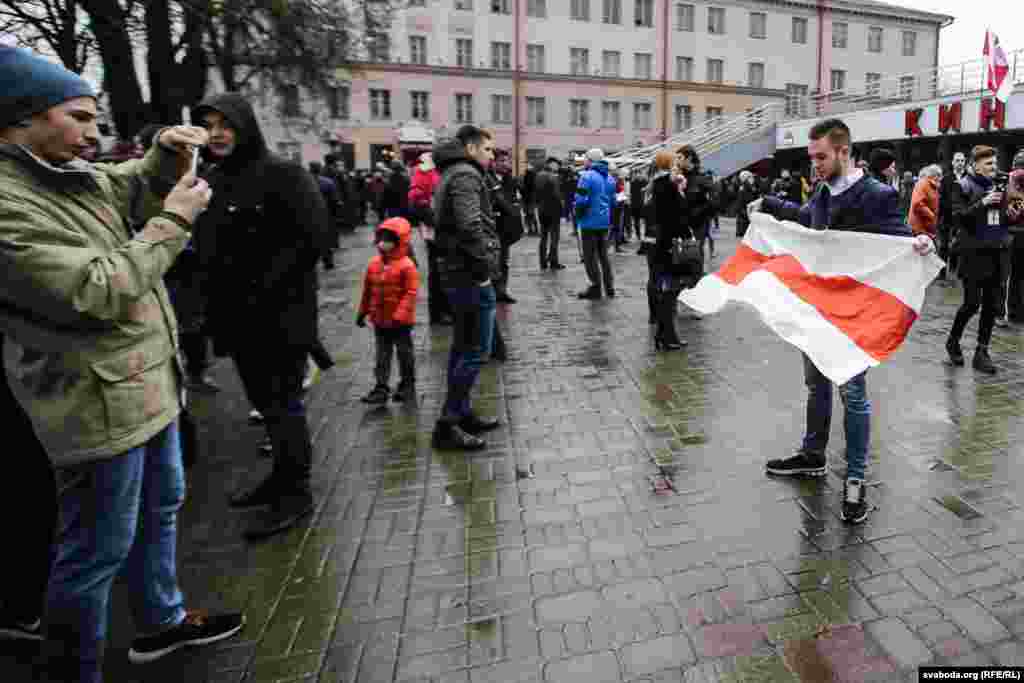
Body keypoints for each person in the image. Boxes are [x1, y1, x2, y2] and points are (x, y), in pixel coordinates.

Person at [0, 46, 243, 680]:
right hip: (96, 403)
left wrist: (164, 151)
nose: (94, 131)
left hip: (144, 387)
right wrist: (174, 220)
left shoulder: (65, 172)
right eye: (79, 117)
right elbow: (96, 290)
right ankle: (73, 669)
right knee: (94, 552)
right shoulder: (9, 202)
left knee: (161, 509)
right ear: (22, 117)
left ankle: (161, 622)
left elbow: (124, 180)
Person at [753, 118, 932, 525]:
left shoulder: (877, 194)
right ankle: (813, 454)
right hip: (818, 309)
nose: (814, 165)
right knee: (816, 383)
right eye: (812, 157)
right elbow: (807, 220)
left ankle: (855, 479)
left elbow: (900, 238)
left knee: (852, 394)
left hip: (854, 316)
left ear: (843, 152)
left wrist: (921, 242)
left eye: (821, 157)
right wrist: (769, 205)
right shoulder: (821, 190)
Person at [192, 92, 328, 540]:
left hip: (279, 319)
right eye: (208, 125)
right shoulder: (210, 178)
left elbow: (311, 239)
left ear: (245, 126)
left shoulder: (283, 174)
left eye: (224, 124)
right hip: (236, 321)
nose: (216, 134)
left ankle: (296, 492)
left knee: (284, 406)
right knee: (264, 405)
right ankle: (279, 478)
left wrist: (260, 291)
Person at [431, 125, 502, 451]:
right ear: (471, 148)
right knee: (477, 350)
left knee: (462, 347)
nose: (492, 155)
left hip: (457, 270)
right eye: (487, 149)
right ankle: (448, 424)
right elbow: (469, 226)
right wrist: (483, 271)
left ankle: (460, 413)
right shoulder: (465, 175)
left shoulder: (453, 172)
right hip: (469, 274)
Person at [945, 145, 1012, 375]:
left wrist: (1011, 213)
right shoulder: (962, 185)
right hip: (973, 254)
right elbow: (958, 218)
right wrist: (983, 203)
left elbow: (1001, 219)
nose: (994, 167)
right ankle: (953, 340)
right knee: (972, 303)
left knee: (991, 305)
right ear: (975, 165)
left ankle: (981, 352)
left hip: (996, 252)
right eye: (988, 164)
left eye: (995, 163)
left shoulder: (1000, 185)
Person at [357, 218, 418, 404]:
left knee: (404, 353)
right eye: (382, 238)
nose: (383, 243)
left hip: (400, 322)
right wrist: (362, 312)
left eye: (388, 239)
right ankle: (381, 387)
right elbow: (368, 291)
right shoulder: (374, 264)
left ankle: (407, 384)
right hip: (380, 320)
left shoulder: (407, 266)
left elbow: (410, 293)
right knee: (382, 356)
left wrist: (399, 315)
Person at [647, 150, 694, 351]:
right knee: (671, 290)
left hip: (663, 243)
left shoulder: (659, 184)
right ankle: (666, 335)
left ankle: (665, 334)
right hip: (669, 244)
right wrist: (680, 191)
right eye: (674, 163)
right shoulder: (665, 185)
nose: (677, 166)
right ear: (667, 165)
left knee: (669, 290)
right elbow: (676, 216)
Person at [575, 148, 615, 299]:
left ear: (591, 160)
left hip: (589, 222)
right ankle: (609, 287)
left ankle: (595, 287)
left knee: (590, 257)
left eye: (585, 158)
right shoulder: (610, 178)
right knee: (603, 255)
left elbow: (580, 199)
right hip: (604, 222)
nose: (584, 161)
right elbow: (613, 201)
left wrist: (578, 215)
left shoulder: (586, 176)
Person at [490, 153, 522, 304]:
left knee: (504, 261)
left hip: (506, 227)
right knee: (492, 261)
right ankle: (492, 291)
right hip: (492, 226)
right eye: (501, 161)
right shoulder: (488, 179)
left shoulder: (510, 180)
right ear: (494, 163)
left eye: (507, 161)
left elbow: (516, 200)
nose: (505, 164)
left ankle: (502, 291)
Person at [677, 145, 714, 264]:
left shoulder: (702, 177)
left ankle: (696, 274)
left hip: (698, 224)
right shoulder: (677, 176)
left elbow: (715, 200)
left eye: (680, 157)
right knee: (681, 258)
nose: (677, 160)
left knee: (693, 257)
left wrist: (700, 213)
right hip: (680, 223)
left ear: (689, 158)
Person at [939, 151, 969, 280]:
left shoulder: (969, 177)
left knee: (959, 245)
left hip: (963, 217)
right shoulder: (946, 178)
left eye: (962, 161)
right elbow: (942, 198)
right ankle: (942, 272)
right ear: (952, 162)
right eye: (957, 160)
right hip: (947, 217)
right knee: (944, 246)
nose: (960, 163)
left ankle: (954, 270)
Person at [309, 160, 341, 269]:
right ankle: (328, 262)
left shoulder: (304, 182)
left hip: (310, 214)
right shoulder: (327, 182)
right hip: (325, 213)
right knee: (326, 239)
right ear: (320, 169)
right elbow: (334, 200)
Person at [534, 157, 565, 270]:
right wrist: (562, 208)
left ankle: (542, 262)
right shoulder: (552, 176)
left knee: (543, 237)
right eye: (556, 164)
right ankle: (553, 261)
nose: (558, 167)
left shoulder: (538, 175)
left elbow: (536, 193)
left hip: (542, 209)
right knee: (554, 237)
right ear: (551, 164)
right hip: (553, 210)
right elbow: (557, 195)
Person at [909, 164, 942, 240]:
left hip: (927, 229)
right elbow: (917, 204)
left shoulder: (933, 186)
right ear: (934, 175)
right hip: (920, 228)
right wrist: (931, 215)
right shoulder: (923, 184)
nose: (940, 178)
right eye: (939, 175)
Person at [735, 170, 759, 238]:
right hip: (745, 210)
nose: (752, 179)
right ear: (745, 179)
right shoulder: (744, 187)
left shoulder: (751, 186)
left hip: (747, 209)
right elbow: (742, 200)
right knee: (744, 226)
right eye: (750, 177)